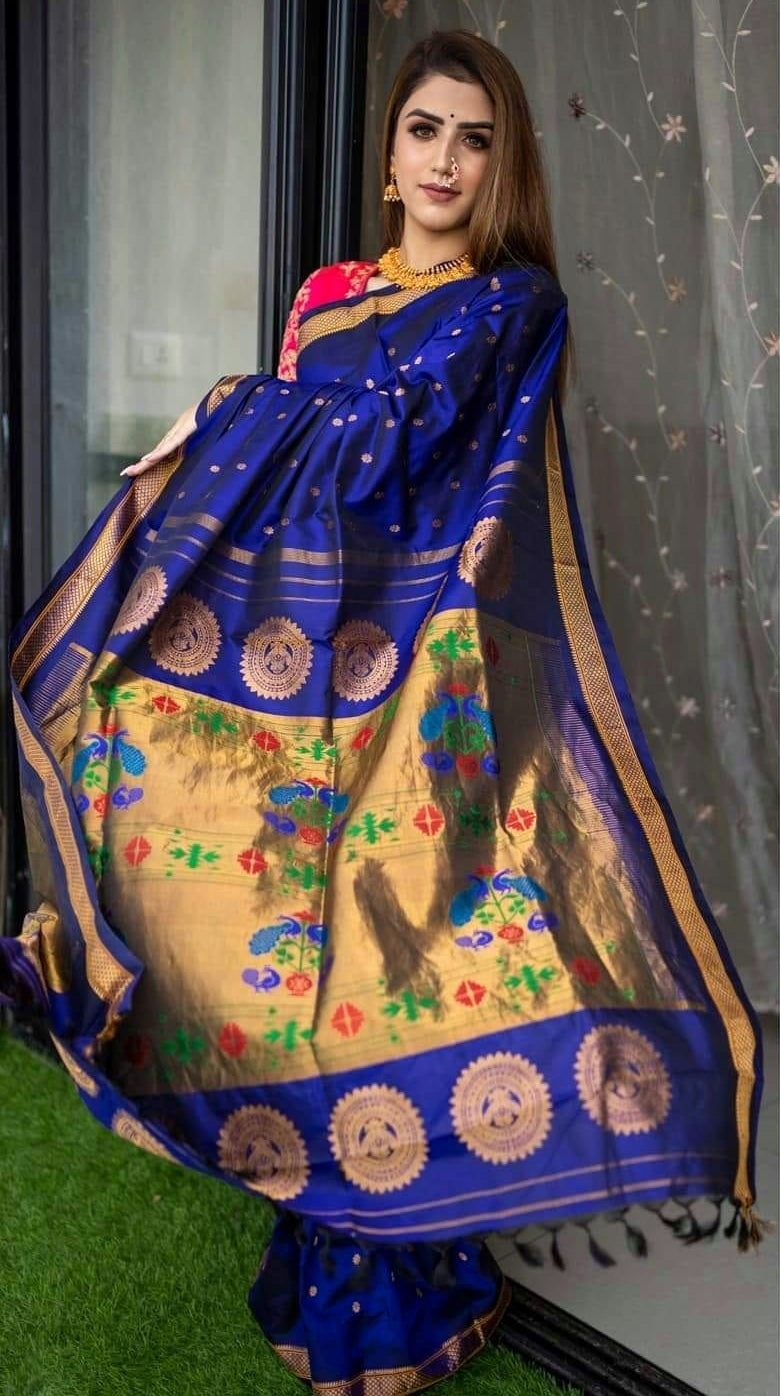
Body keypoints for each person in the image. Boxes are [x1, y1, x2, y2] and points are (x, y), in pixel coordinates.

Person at [1, 28, 772, 1396]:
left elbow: (383, 454)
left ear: (501, 164)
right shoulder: (328, 296)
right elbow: (287, 495)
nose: (445, 161)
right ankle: (309, 1215)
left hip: (416, 686)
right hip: (283, 685)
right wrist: (199, 475)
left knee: (379, 972)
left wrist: (222, 409)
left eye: (475, 139)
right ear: (390, 151)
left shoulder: (510, 307)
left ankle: (406, 1278)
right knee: (255, 935)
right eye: (425, 130)